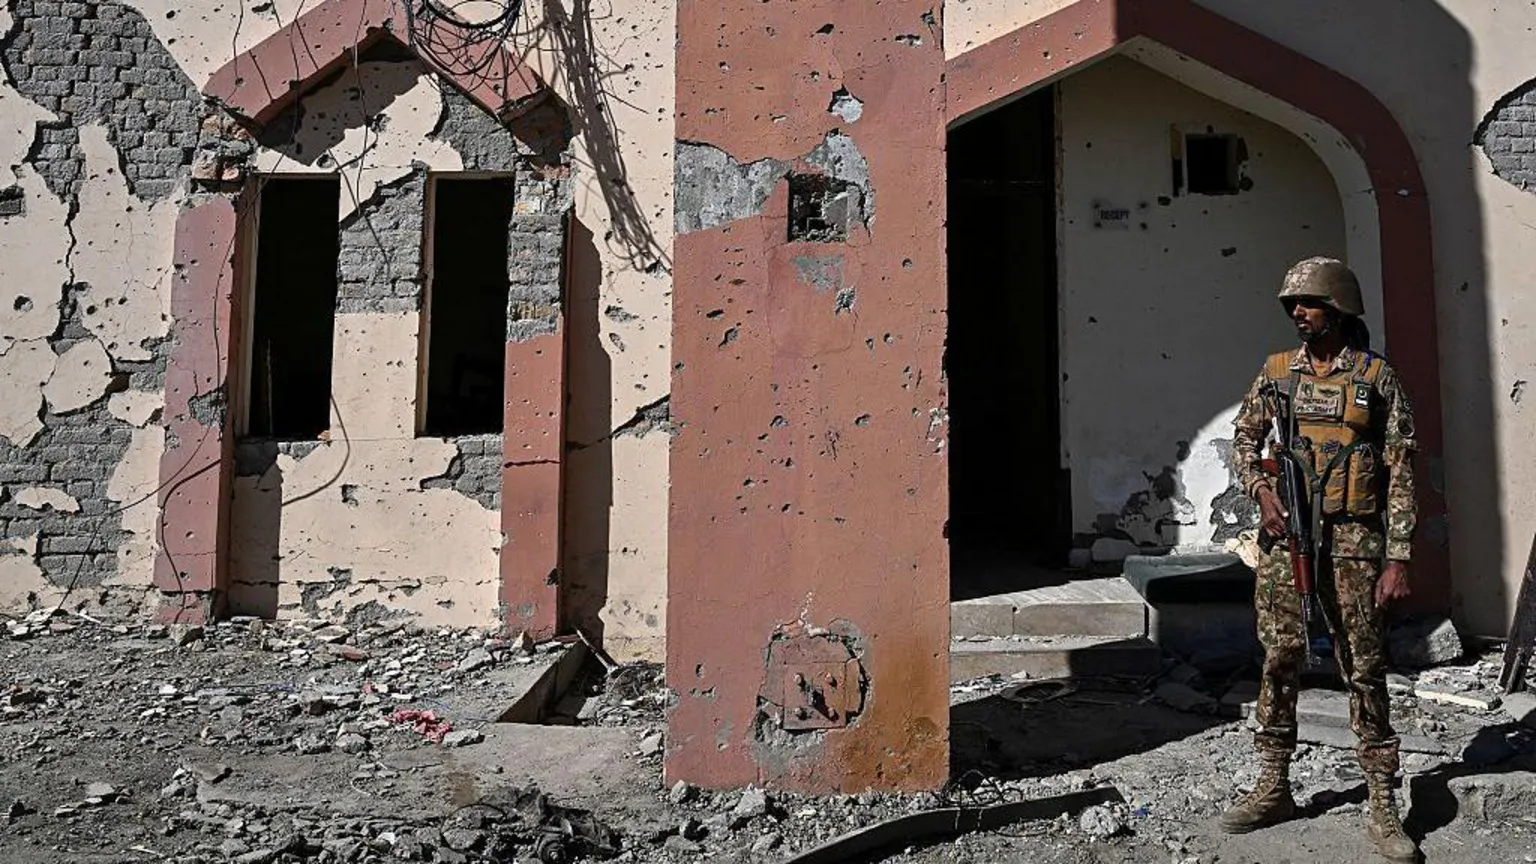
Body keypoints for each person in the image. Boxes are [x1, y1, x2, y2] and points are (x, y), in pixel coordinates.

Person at [1220, 257, 1419, 862]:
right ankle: (1274, 785)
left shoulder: (1375, 379)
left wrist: (1399, 558)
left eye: (1305, 304)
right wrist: (1260, 492)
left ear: (1337, 309)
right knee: (1279, 656)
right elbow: (1243, 439)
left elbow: (1402, 469)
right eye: (1291, 306)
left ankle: (1384, 802)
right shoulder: (1278, 375)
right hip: (1288, 544)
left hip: (1357, 542)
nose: (1296, 314)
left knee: (1363, 666)